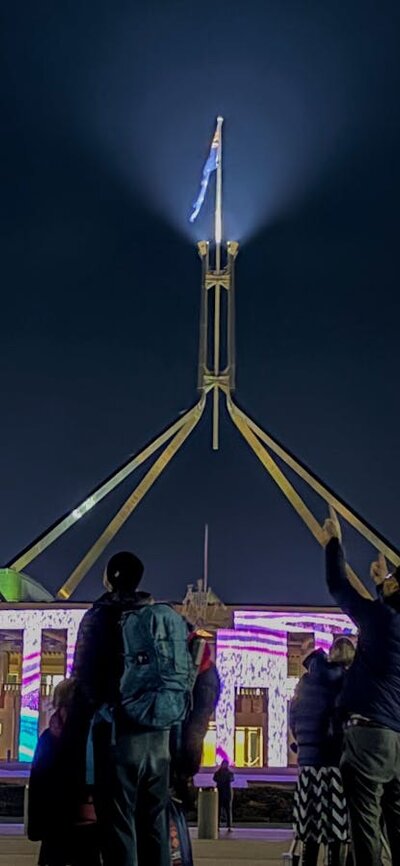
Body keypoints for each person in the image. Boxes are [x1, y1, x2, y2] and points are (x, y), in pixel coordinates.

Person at [72, 550, 195, 866]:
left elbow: (83, 680)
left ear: (109, 578)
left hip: (118, 733)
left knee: (119, 827)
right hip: (159, 736)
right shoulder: (161, 618)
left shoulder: (100, 617)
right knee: (155, 824)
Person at [323, 511, 400, 866]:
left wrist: (334, 543)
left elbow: (338, 587)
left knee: (365, 825)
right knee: (396, 824)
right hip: (397, 739)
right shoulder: (385, 620)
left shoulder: (380, 619)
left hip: (369, 734)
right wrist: (382, 586)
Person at [290, 636, 355, 866]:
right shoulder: (346, 682)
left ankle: (308, 861)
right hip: (335, 762)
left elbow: (293, 717)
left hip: (307, 763)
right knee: (337, 826)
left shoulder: (305, 681)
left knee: (310, 825)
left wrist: (303, 743)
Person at [28, 678, 100, 866]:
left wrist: (36, 828)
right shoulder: (93, 737)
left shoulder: (49, 738)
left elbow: (37, 785)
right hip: (88, 825)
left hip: (55, 827)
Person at [213, 760, 234, 831]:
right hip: (220, 792)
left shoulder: (229, 773)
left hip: (227, 793)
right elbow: (215, 778)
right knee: (218, 810)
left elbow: (231, 779)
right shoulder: (218, 773)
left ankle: (229, 826)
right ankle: (217, 825)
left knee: (228, 810)